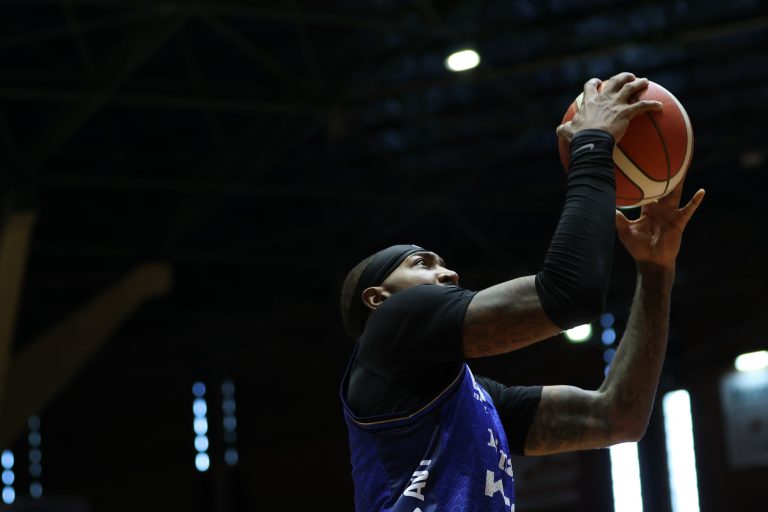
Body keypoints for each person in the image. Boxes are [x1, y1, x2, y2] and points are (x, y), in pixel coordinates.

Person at [338, 72, 705, 511]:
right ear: (377, 299)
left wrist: (655, 268)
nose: (449, 273)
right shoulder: (394, 324)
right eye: (422, 263)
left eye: (442, 262)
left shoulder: (474, 400)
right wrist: (592, 143)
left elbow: (615, 418)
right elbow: (569, 293)